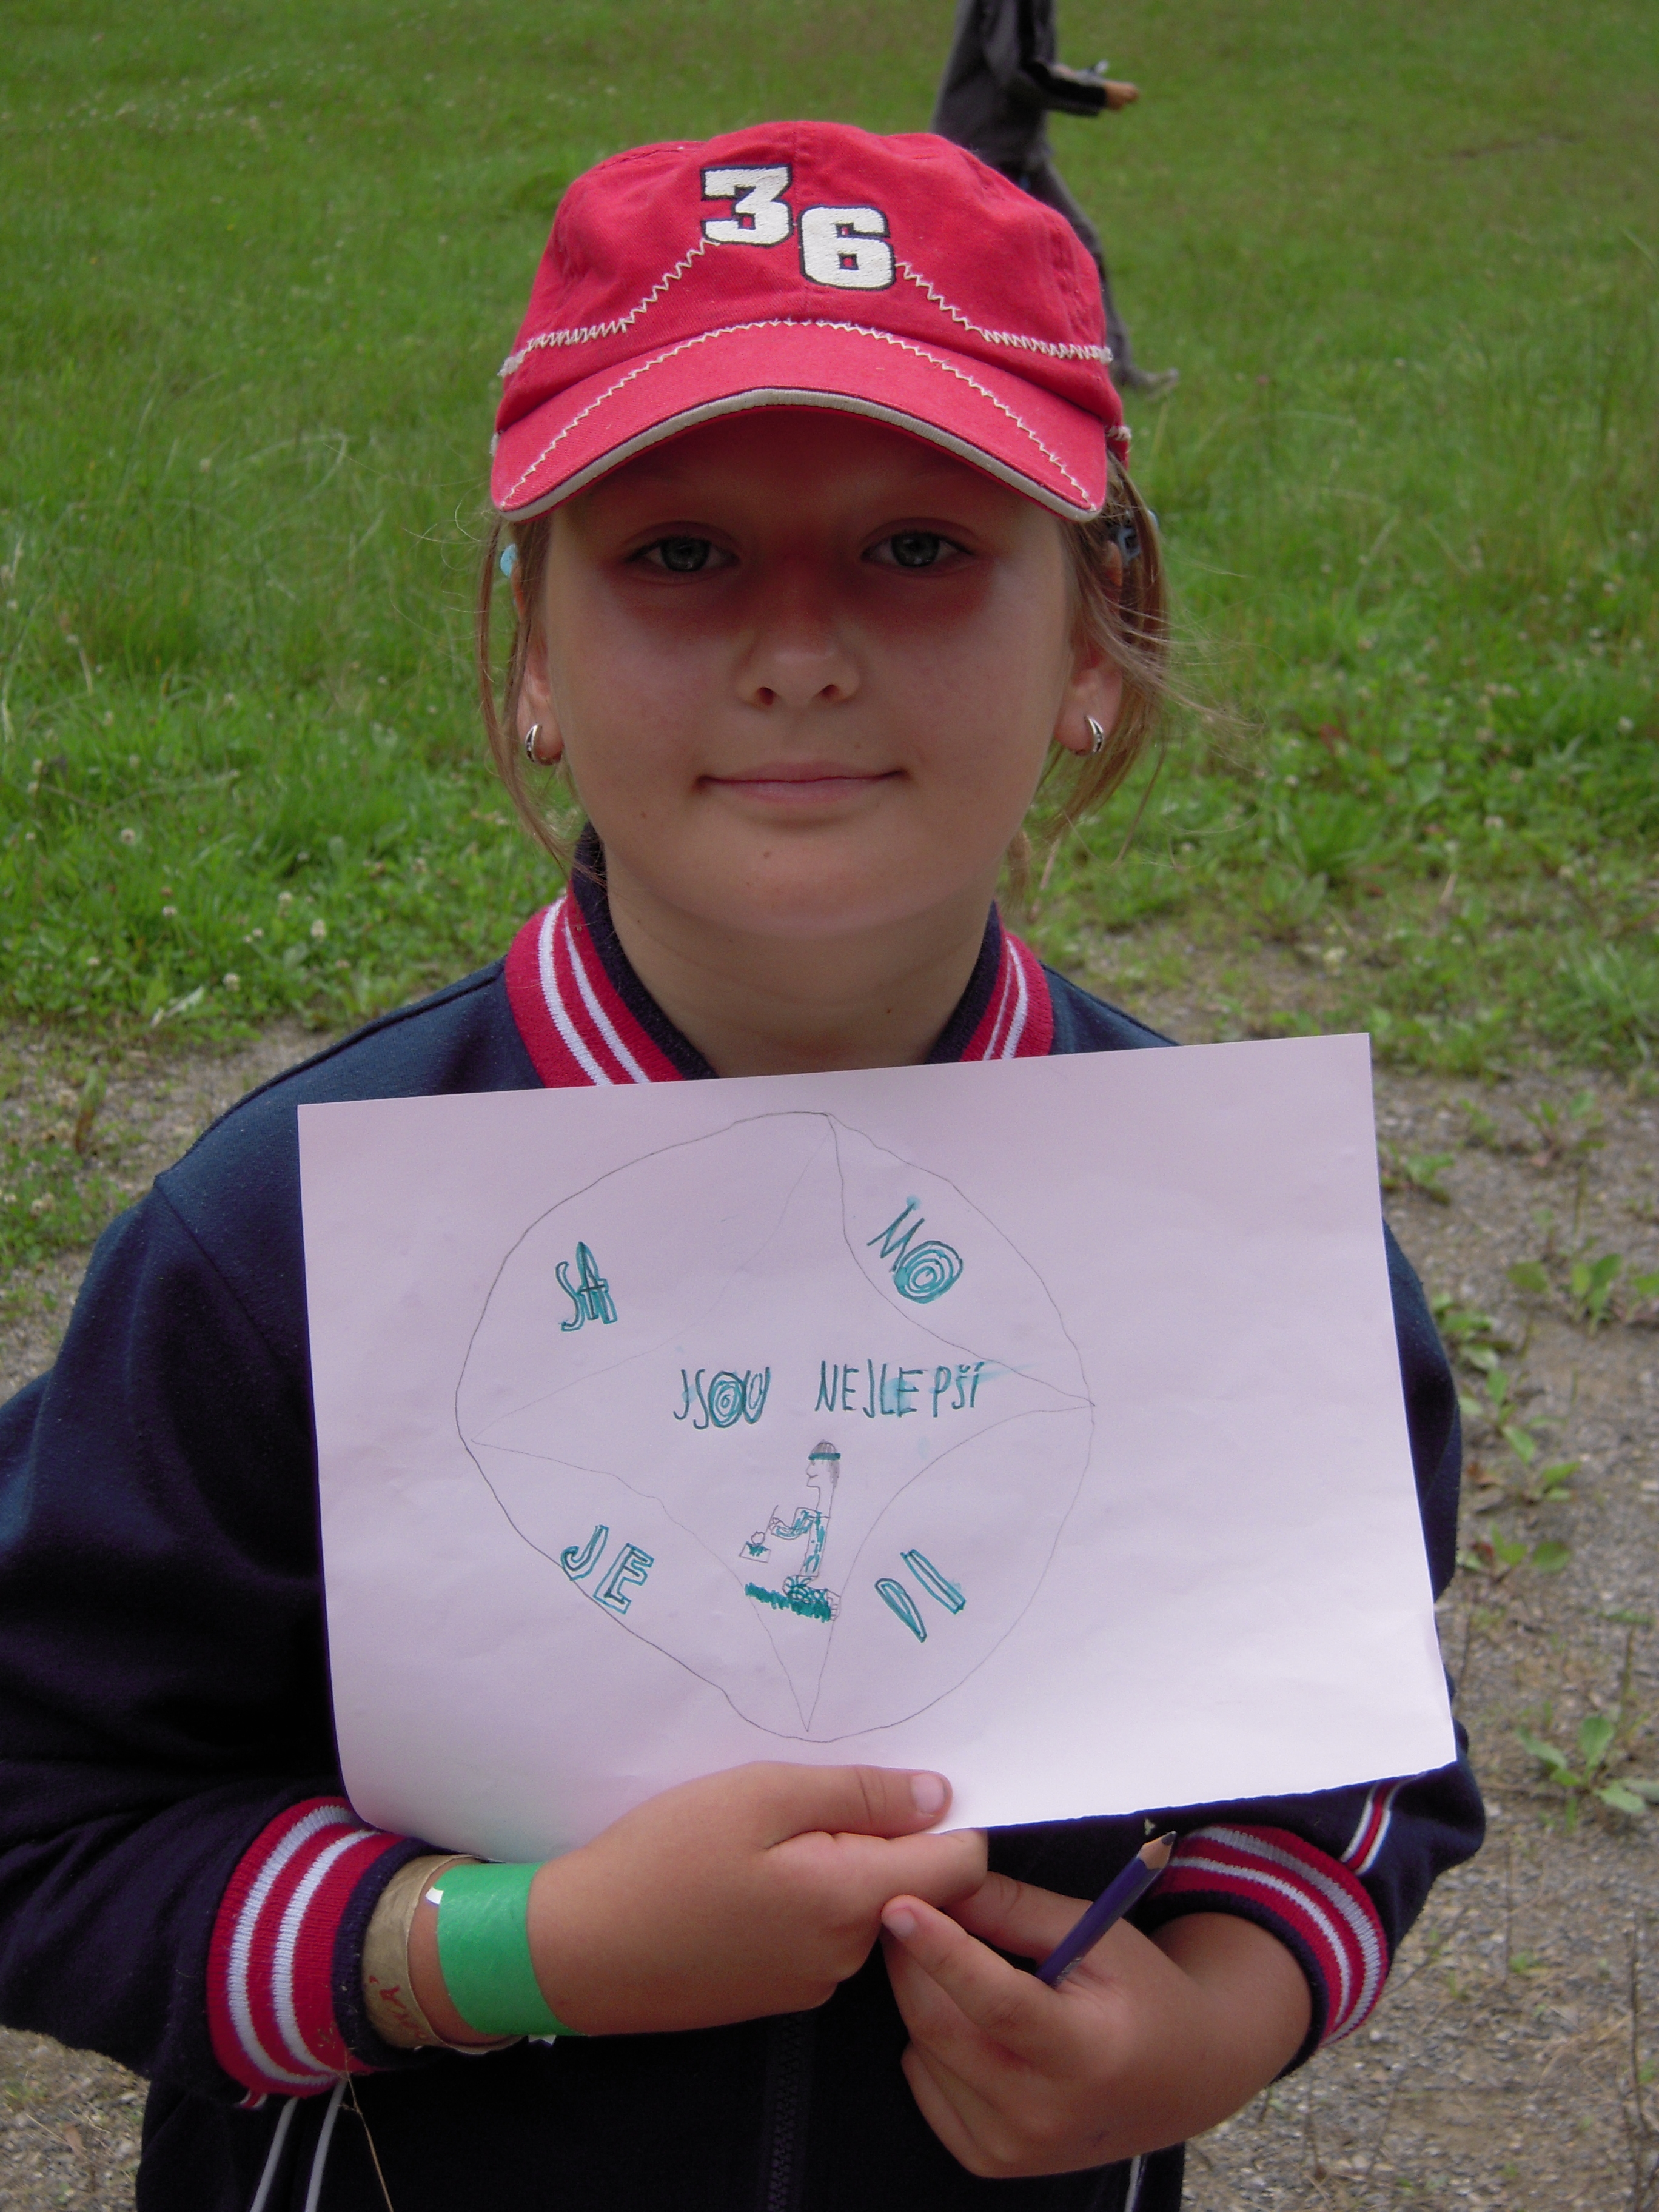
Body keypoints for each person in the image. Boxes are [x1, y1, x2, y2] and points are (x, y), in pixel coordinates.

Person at [0, 122, 1478, 2211]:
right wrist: (510, 1950)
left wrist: (1208, 2021)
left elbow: (1349, 1774)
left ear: (1092, 640)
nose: (798, 650)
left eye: (919, 546)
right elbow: (44, 1811)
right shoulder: (275, 1248)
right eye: (680, 553)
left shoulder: (1248, 1257)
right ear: (532, 650)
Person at [931, 0, 1179, 394]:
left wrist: (1075, 79)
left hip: (1013, 150)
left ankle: (1111, 373)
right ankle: (958, 377)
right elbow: (1018, 72)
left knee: (1078, 246)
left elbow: (1024, 59)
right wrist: (1094, 94)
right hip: (986, 151)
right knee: (974, 269)